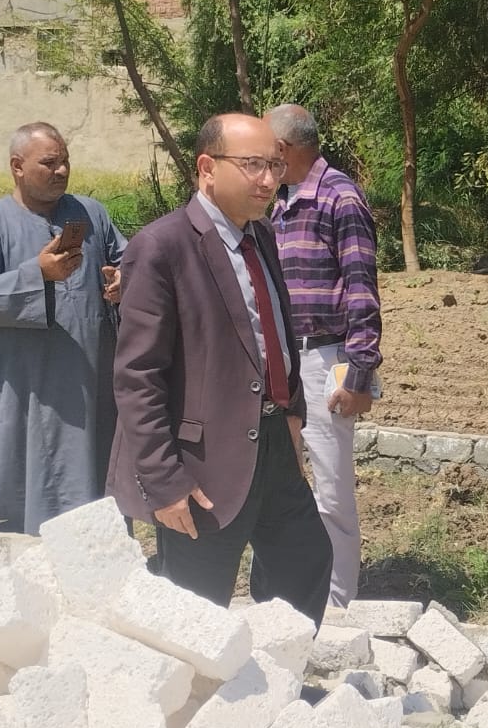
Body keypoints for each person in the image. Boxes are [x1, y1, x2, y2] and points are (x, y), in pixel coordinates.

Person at [107, 113, 332, 623]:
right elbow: (138, 377)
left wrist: (291, 412)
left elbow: (274, 332)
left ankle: (273, 668)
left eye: (275, 166)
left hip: (272, 445)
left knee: (305, 563)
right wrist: (164, 481)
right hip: (201, 463)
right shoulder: (162, 247)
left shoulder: (261, 236)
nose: (269, 180)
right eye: (253, 165)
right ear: (207, 168)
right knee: (197, 609)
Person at [0, 122, 126, 536]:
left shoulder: (90, 213)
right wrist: (38, 274)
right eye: (49, 163)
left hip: (88, 380)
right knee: (20, 474)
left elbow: (127, 260)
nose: (61, 170)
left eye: (65, 160)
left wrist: (124, 280)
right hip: (23, 385)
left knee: (93, 476)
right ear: (17, 166)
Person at [266, 103, 382, 608]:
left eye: (266, 153)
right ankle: (295, 594)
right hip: (285, 361)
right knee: (285, 486)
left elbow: (361, 288)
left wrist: (359, 373)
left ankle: (337, 605)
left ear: (283, 149)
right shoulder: (279, 201)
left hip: (325, 359)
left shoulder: (339, 197)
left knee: (331, 492)